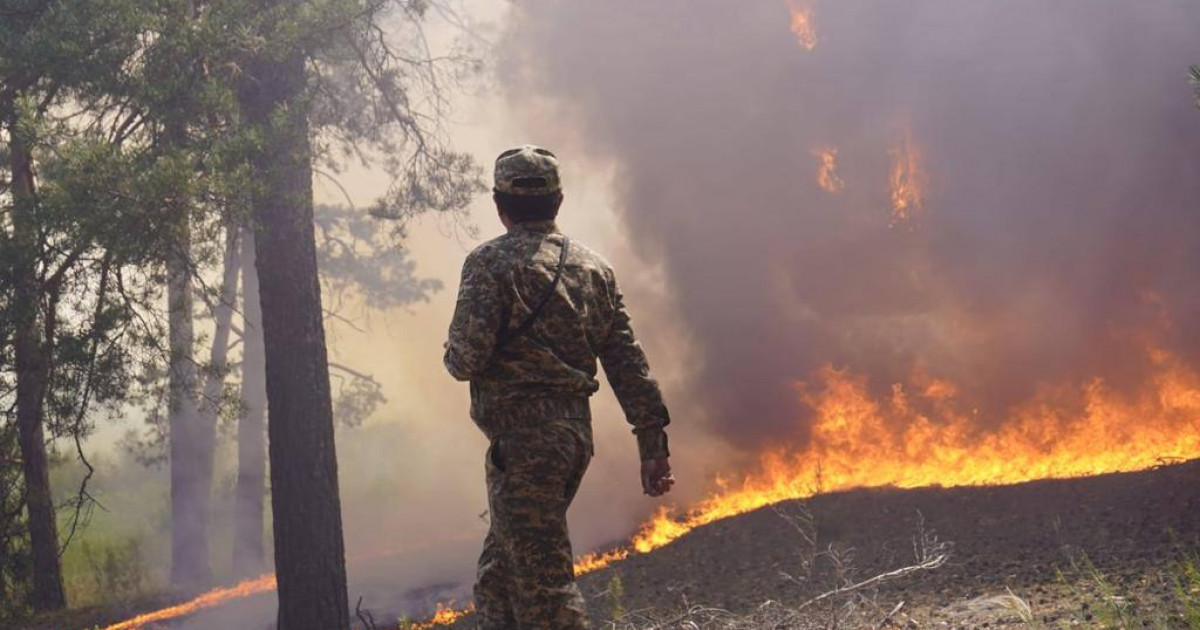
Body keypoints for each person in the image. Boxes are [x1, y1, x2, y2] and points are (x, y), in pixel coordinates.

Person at [444, 145, 675, 629]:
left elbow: (465, 361)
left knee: (543, 586)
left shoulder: (488, 264)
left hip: (524, 444)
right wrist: (652, 443)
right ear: (558, 201)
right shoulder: (593, 269)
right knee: (498, 579)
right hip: (572, 438)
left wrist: (452, 351)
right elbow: (626, 361)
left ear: (499, 203)